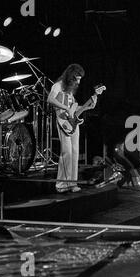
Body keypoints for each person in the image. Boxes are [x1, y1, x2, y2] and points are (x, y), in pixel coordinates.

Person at [47, 64, 96, 193]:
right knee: (67, 152)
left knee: (74, 152)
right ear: (70, 76)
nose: (78, 82)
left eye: (80, 79)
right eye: (77, 78)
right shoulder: (58, 85)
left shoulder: (70, 91)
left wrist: (87, 107)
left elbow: (74, 109)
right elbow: (50, 99)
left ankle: (72, 183)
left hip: (73, 122)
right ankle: (61, 184)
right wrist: (65, 108)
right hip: (63, 122)